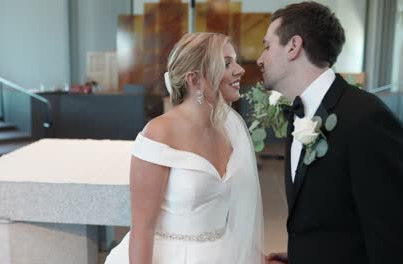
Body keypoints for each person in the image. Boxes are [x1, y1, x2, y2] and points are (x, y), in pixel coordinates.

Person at [256, 2, 403, 264]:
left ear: (293, 46)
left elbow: (391, 237)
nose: (260, 58)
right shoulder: (297, 115)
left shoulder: (366, 118)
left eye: (267, 46)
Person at [105, 32, 264, 264]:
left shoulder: (232, 129)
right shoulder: (159, 133)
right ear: (194, 79)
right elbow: (142, 228)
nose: (240, 70)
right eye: (227, 64)